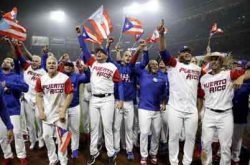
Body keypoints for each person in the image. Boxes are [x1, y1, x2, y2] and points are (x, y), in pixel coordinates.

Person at [77, 28, 124, 165]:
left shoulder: (112, 66)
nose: (98, 53)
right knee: (94, 127)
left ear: (106, 55)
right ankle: (93, 152)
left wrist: (120, 99)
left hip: (108, 99)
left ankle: (111, 154)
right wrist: (80, 35)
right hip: (94, 99)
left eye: (101, 52)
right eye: (96, 52)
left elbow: (119, 84)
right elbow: (85, 48)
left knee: (107, 127)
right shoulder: (93, 63)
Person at [158, 20, 202, 165]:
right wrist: (161, 34)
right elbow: (163, 51)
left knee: (190, 137)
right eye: (184, 52)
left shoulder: (197, 69)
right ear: (179, 54)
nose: (187, 53)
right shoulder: (173, 64)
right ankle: (174, 162)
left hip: (191, 110)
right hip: (175, 108)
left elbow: (211, 78)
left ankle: (187, 162)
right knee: (174, 136)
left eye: (189, 52)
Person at [200, 52, 247, 165]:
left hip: (225, 114)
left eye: (217, 59)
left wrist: (241, 77)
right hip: (209, 114)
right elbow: (202, 96)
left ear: (221, 62)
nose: (214, 61)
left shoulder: (228, 74)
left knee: (225, 146)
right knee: (205, 144)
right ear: (209, 62)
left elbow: (246, 72)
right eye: (212, 59)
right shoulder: (204, 78)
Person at [107, 38, 148, 160]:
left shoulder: (133, 68)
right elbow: (108, 59)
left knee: (129, 127)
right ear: (122, 57)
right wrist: (108, 46)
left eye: (130, 56)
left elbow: (144, 62)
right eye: (126, 55)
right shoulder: (116, 67)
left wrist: (144, 50)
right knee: (116, 127)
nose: (128, 57)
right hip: (117, 101)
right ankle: (115, 148)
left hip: (129, 103)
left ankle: (129, 150)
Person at [35, 56, 73, 165]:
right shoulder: (41, 79)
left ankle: (63, 160)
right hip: (47, 113)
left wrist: (63, 111)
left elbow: (70, 95)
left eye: (53, 63)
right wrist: (41, 111)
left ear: (57, 65)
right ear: (46, 66)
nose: (51, 65)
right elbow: (38, 95)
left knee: (62, 139)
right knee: (46, 136)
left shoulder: (64, 78)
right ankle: (53, 158)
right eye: (49, 63)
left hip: (60, 114)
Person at [14, 44, 46, 149]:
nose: (34, 62)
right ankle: (33, 140)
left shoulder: (43, 72)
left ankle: (41, 138)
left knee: (38, 119)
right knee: (30, 122)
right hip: (27, 98)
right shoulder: (27, 67)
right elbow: (19, 55)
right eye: (33, 60)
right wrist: (17, 47)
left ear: (40, 63)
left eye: (37, 61)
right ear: (30, 61)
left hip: (38, 99)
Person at [136, 59, 167, 165]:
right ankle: (144, 155)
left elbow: (165, 93)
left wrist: (163, 102)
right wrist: (144, 51)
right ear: (148, 66)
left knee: (156, 133)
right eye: (152, 64)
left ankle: (153, 153)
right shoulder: (143, 74)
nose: (154, 65)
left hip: (156, 109)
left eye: (156, 64)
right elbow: (140, 65)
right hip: (144, 108)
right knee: (144, 133)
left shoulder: (162, 77)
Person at [0, 57, 29, 165]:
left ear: (12, 66)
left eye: (9, 62)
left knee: (16, 133)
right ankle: (8, 156)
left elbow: (25, 87)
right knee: (2, 136)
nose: (5, 62)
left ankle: (21, 156)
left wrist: (8, 85)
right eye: (4, 60)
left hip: (13, 109)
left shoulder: (16, 76)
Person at [63, 61, 90, 158]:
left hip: (75, 106)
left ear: (72, 68)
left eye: (70, 66)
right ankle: (64, 148)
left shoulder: (77, 76)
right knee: (63, 129)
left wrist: (86, 70)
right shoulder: (59, 76)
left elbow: (88, 78)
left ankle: (74, 149)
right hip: (62, 108)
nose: (68, 67)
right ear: (63, 66)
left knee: (75, 129)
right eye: (66, 65)